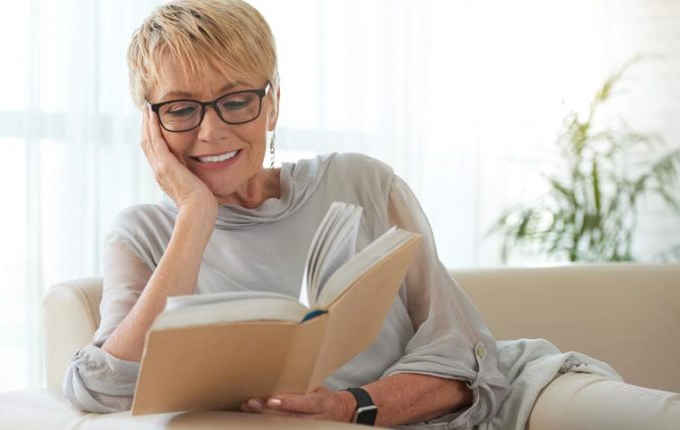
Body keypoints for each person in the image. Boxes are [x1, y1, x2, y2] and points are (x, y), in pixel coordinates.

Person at [63, 1, 627, 428]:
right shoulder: (144, 233)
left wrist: (347, 406)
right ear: (151, 125)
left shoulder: (362, 182)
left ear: (274, 102)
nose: (211, 131)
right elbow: (103, 388)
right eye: (181, 109)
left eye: (236, 100)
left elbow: (466, 356)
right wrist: (195, 215)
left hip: (507, 403)